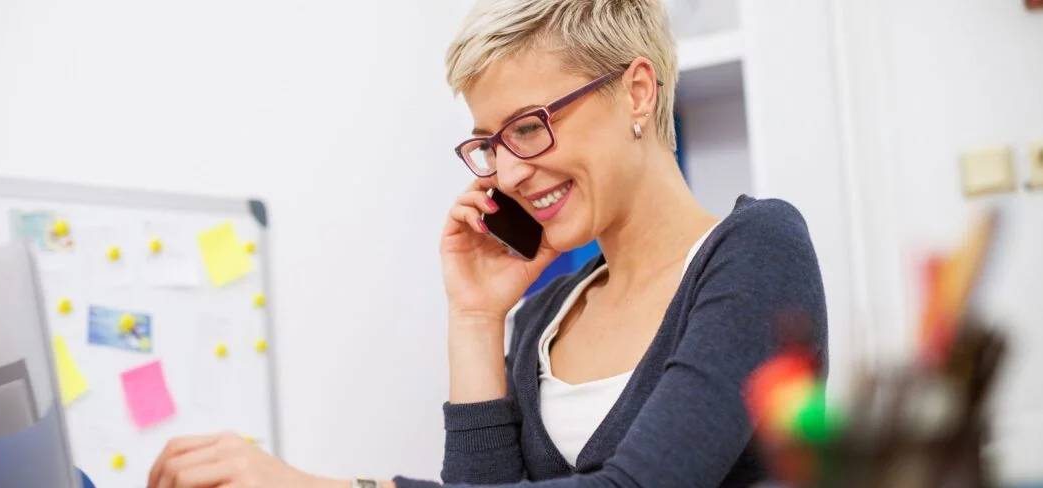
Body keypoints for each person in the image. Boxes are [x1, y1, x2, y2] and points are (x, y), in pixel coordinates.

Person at [146, 0, 828, 486]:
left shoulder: (757, 250)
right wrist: (475, 319)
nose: (507, 173)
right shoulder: (542, 318)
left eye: (529, 127)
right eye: (489, 144)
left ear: (638, 93)